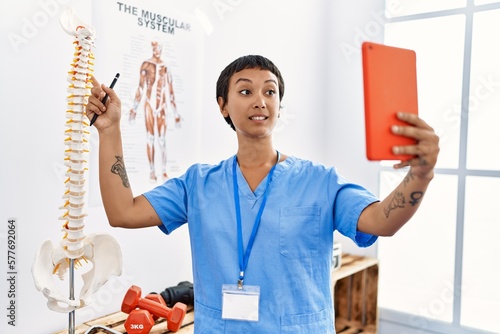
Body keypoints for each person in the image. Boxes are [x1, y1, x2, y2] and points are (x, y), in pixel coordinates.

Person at [86, 55, 439, 333]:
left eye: (270, 91)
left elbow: (380, 221)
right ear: (223, 106)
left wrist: (419, 175)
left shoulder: (320, 181)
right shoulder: (198, 184)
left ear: (279, 106)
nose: (260, 100)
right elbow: (124, 213)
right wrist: (111, 130)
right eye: (245, 91)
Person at [128, 40, 180, 182]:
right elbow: (140, 87)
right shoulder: (146, 64)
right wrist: (134, 108)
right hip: (149, 106)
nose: (158, 49)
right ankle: (152, 171)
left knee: (162, 140)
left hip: (162, 106)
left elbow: (170, 90)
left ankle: (163, 171)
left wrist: (175, 113)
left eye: (160, 47)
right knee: (150, 139)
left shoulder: (166, 67)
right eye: (155, 47)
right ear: (152, 48)